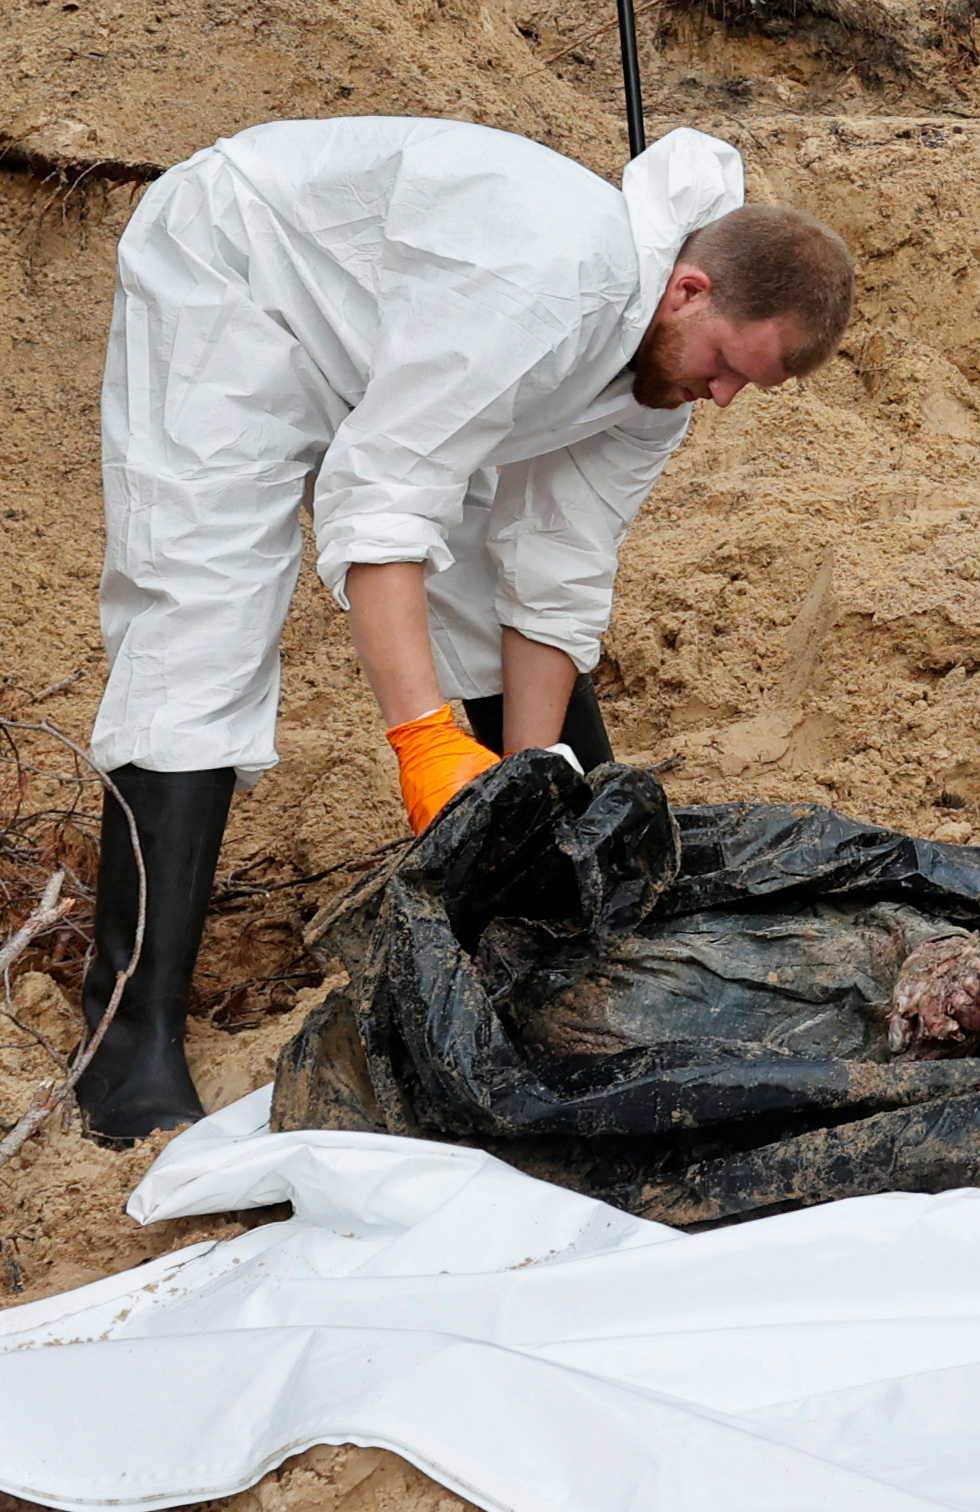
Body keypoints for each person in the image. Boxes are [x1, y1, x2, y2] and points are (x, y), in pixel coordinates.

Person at [79, 116, 856, 1139]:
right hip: (245, 279)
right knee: (205, 611)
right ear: (690, 290)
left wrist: (527, 783)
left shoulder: (658, 389)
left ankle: (540, 948)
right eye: (725, 366)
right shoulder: (543, 283)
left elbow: (555, 575)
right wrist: (426, 742)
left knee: (483, 593)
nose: (720, 398)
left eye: (744, 388)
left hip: (397, 337)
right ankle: (125, 1046)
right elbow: (382, 498)